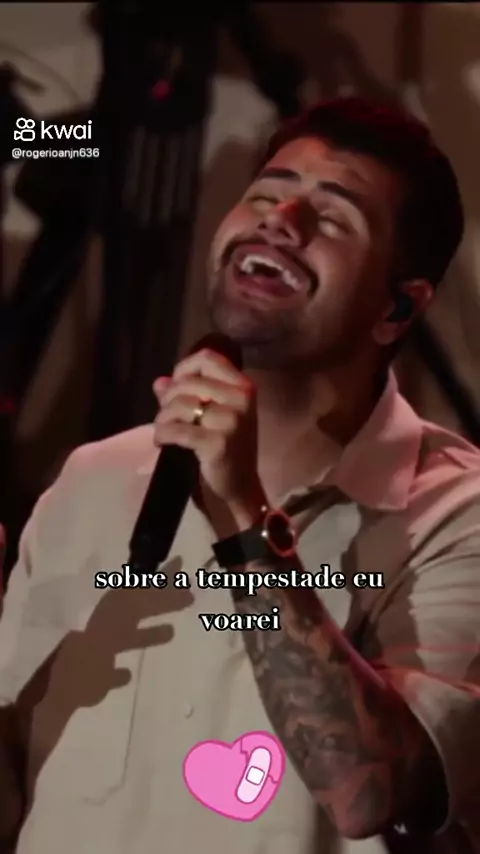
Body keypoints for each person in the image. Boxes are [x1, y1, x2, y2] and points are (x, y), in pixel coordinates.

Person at [0, 96, 479, 854]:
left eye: (334, 217)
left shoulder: (455, 512)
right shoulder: (92, 481)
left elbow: (369, 792)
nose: (280, 220)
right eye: (265, 193)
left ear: (397, 307)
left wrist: (243, 517)